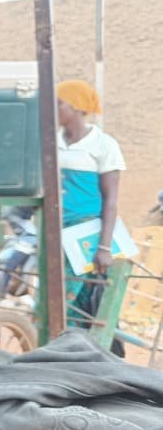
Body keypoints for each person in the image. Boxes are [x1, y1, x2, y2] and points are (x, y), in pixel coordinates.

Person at [56, 79, 125, 327]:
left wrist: (104, 248)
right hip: (53, 232)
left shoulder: (103, 145)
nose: (53, 109)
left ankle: (68, 354)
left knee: (70, 303)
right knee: (50, 298)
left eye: (59, 104)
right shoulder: (52, 142)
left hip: (83, 235)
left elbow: (111, 200)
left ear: (75, 107)